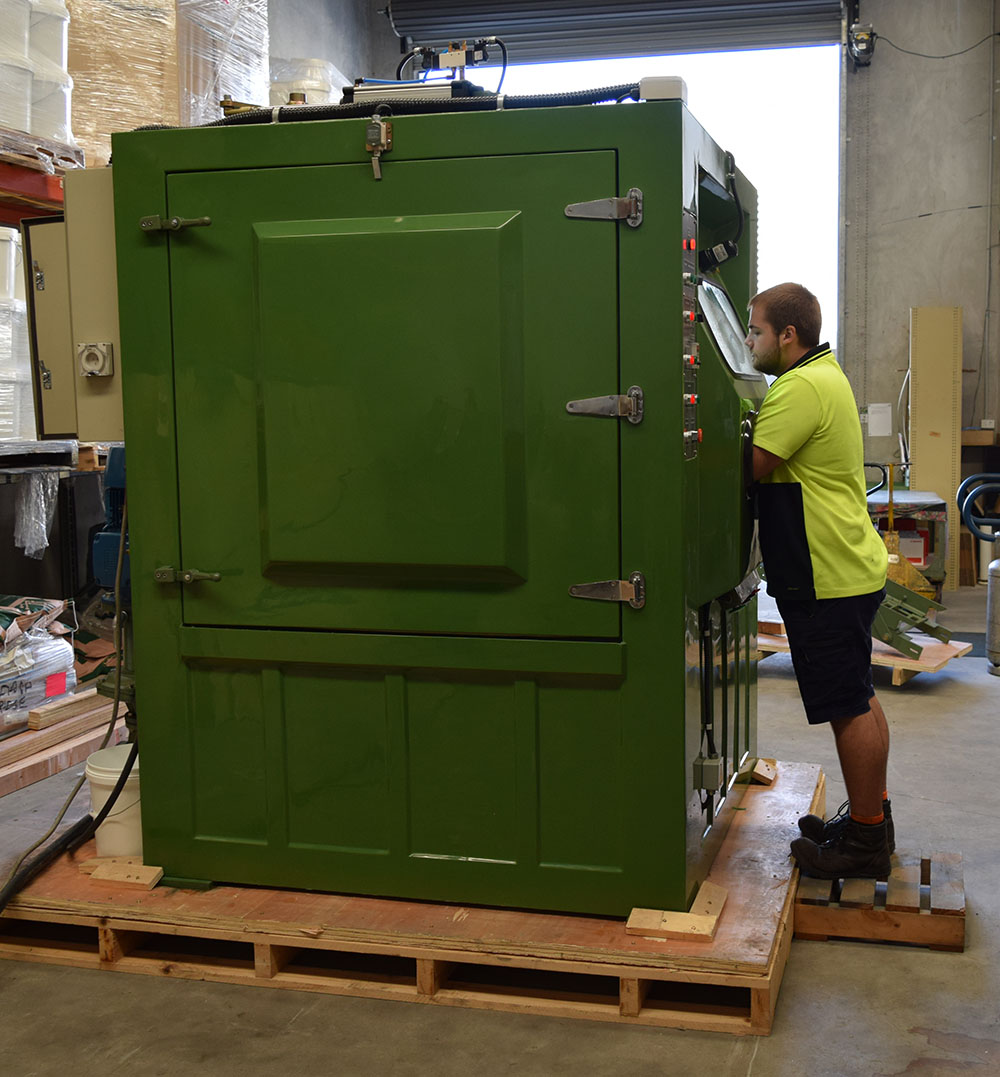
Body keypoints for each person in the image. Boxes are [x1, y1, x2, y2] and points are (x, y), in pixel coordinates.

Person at [746, 282, 892, 880]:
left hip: (825, 574)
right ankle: (869, 821)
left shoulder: (799, 386)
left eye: (755, 330)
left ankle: (865, 844)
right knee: (859, 698)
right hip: (847, 568)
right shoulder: (824, 375)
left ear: (788, 335)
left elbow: (750, 466)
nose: (749, 342)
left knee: (847, 707)